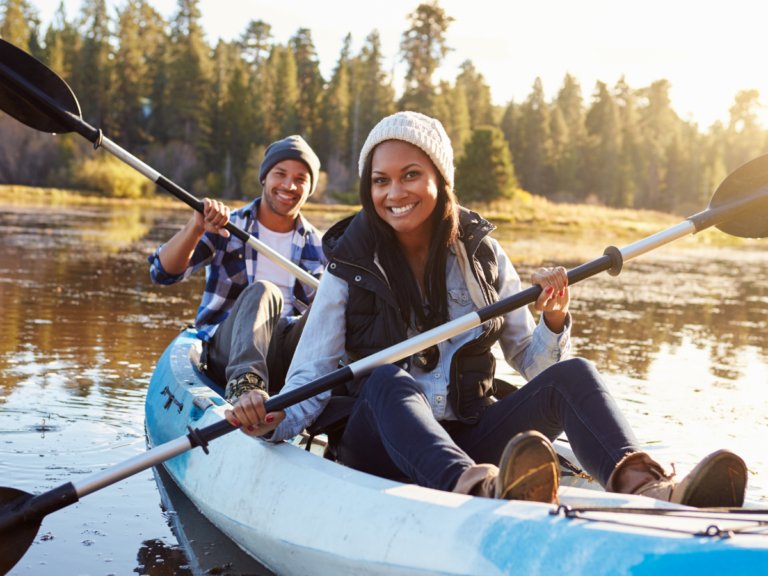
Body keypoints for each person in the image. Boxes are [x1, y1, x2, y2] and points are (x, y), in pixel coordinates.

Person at [224, 113, 748, 507]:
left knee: (575, 374)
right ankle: (478, 488)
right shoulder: (348, 263)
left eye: (410, 175)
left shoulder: (483, 256)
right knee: (387, 381)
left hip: (470, 431)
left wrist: (554, 320)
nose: (393, 192)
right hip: (380, 442)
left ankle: (650, 487)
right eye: (380, 181)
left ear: (440, 180)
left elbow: (533, 362)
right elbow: (311, 374)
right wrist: (269, 419)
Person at [148, 135, 327, 401]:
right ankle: (245, 386)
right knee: (264, 292)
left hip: (290, 357)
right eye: (280, 173)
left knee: (332, 300)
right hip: (229, 349)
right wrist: (196, 228)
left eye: (301, 179)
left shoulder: (321, 245)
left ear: (310, 188)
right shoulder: (226, 225)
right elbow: (162, 274)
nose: (289, 185)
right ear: (264, 177)